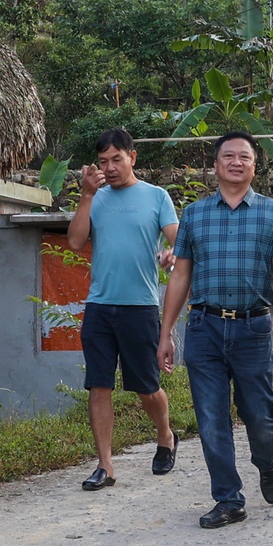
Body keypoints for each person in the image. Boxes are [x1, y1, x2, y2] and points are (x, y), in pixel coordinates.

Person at [158, 130, 273, 529]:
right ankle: (228, 498)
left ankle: (267, 462)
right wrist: (166, 332)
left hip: (252, 328)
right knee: (210, 418)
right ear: (216, 164)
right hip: (204, 327)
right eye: (229, 156)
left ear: (254, 166)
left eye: (245, 157)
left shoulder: (271, 211)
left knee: (260, 416)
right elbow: (180, 275)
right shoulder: (194, 214)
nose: (237, 162)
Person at [66, 127, 180, 489]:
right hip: (99, 306)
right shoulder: (95, 198)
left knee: (147, 387)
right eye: (103, 162)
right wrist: (86, 195)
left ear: (132, 157)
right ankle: (105, 466)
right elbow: (75, 242)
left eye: (117, 159)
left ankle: (165, 435)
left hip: (140, 307)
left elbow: (178, 241)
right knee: (98, 386)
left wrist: (171, 253)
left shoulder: (156, 196)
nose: (110, 168)